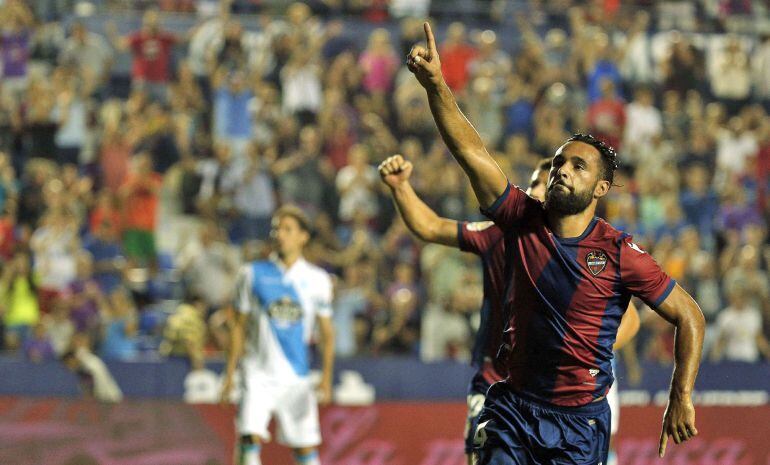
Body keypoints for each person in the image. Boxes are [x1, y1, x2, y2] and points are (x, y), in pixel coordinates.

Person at [406, 22, 705, 463]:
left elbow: (690, 315)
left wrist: (680, 395)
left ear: (601, 189)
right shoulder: (519, 219)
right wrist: (436, 87)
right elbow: (471, 152)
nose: (562, 170)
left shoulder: (619, 253)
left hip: (579, 424)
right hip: (513, 406)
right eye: (560, 162)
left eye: (578, 166)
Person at [379, 156, 639, 465]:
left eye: (544, 183)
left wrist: (584, 355)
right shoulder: (497, 234)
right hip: (496, 381)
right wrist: (401, 188)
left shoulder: (583, 250)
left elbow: (630, 319)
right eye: (531, 184)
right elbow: (431, 227)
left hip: (560, 391)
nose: (535, 190)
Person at [220, 205, 335, 465]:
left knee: (305, 450)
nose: (280, 235)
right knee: (249, 437)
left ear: (303, 237)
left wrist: (327, 377)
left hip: (296, 377)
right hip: (257, 372)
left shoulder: (317, 280)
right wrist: (230, 374)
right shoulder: (252, 274)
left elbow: (327, 333)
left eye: (287, 229)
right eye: (276, 229)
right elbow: (237, 326)